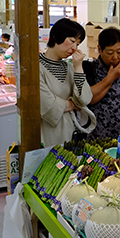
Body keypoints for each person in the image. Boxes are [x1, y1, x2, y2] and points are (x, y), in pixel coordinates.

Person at [39, 18, 94, 147]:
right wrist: (73, 104)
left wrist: (79, 68)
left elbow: (85, 99)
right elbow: (46, 104)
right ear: (56, 36)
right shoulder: (37, 67)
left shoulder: (70, 67)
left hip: (70, 133)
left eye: (78, 44)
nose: (74, 48)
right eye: (72, 41)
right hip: (46, 133)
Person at [83, 28, 120, 139]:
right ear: (100, 49)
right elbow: (89, 98)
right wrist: (110, 78)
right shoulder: (89, 69)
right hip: (97, 137)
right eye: (110, 52)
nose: (115, 57)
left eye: (119, 52)